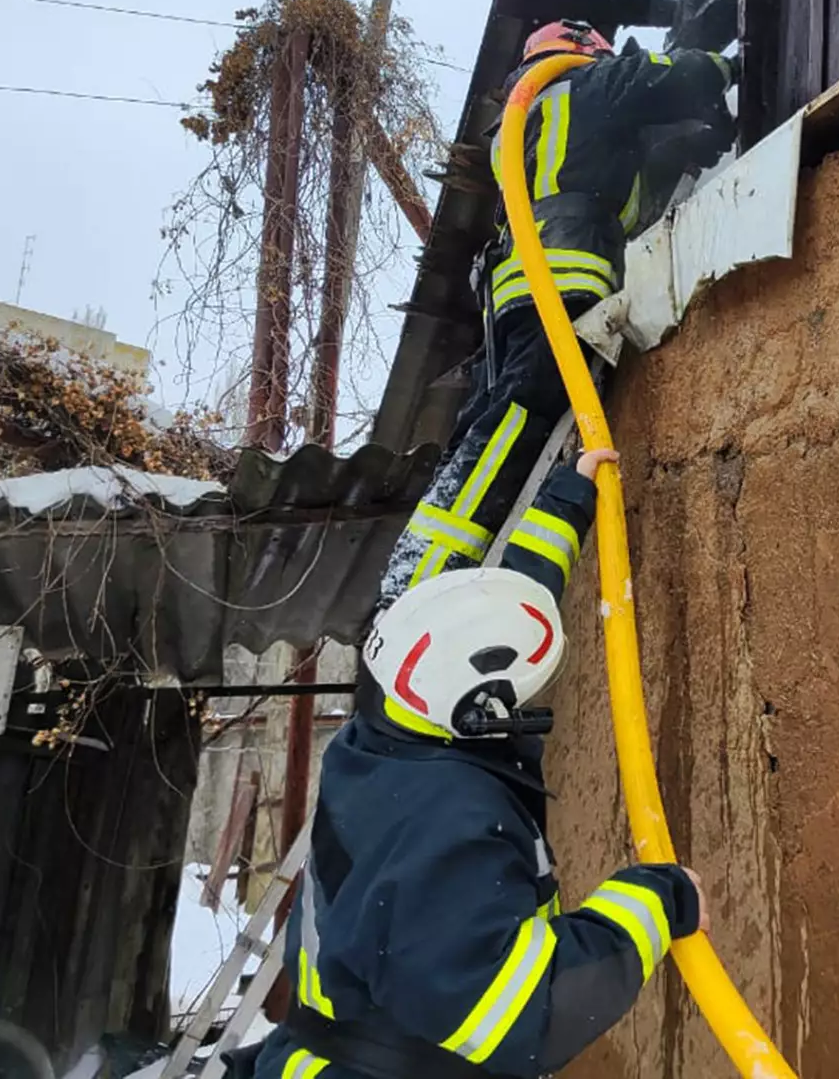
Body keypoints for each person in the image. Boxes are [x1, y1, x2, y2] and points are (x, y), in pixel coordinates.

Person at [248, 447, 710, 1079]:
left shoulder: (379, 740)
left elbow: (486, 627)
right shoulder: (451, 824)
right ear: (477, 709)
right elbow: (527, 1012)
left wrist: (566, 500)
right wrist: (662, 899)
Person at [378, 19, 737, 610]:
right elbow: (684, 75)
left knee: (494, 428)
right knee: (514, 426)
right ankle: (419, 589)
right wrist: (730, 62)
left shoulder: (525, 126)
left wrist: (679, 153)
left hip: (519, 292)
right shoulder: (587, 86)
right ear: (585, 52)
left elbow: (599, 181)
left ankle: (425, 570)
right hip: (562, 283)